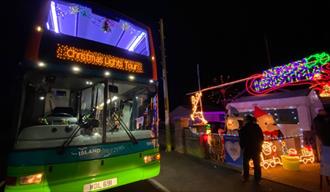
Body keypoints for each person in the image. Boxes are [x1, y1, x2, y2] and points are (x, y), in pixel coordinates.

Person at [239, 115, 264, 183]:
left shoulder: (244, 128)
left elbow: (241, 139)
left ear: (246, 120)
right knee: (257, 164)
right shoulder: (257, 127)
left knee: (246, 163)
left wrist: (242, 147)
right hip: (256, 148)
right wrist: (259, 145)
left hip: (247, 149)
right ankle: (257, 179)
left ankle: (246, 177)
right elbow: (262, 138)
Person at [312, 107, 330, 191]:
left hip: (326, 143)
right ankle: (325, 181)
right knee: (326, 165)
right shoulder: (319, 121)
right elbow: (321, 131)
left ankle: (326, 180)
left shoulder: (321, 120)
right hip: (326, 143)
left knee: (326, 165)